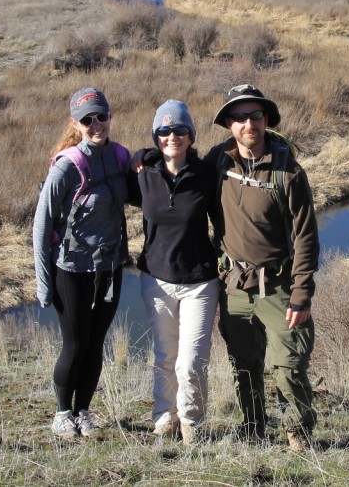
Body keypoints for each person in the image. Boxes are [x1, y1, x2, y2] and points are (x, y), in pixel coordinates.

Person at [206, 84, 321, 451]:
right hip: (234, 289)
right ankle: (253, 429)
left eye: (255, 115)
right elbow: (178, 182)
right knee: (244, 366)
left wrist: (301, 296)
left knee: (288, 367)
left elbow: (306, 238)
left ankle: (297, 436)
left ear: (266, 119)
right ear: (228, 124)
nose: (247, 124)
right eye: (239, 117)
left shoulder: (288, 172)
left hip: (280, 287)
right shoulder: (216, 161)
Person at [33, 87, 134, 440]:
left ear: (110, 116)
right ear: (75, 123)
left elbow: (142, 193)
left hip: (109, 268)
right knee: (75, 344)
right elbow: (42, 224)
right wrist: (44, 281)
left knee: (96, 343)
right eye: (87, 119)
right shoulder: (67, 165)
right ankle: (62, 413)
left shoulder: (120, 156)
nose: (96, 125)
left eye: (101, 116)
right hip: (72, 270)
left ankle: (84, 412)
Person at [133, 100, 220, 446]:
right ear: (156, 136)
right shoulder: (143, 174)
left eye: (180, 130)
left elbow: (226, 219)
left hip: (199, 282)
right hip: (156, 279)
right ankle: (164, 419)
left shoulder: (206, 175)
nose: (173, 137)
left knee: (192, 362)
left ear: (191, 135)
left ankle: (192, 426)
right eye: (164, 131)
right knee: (165, 356)